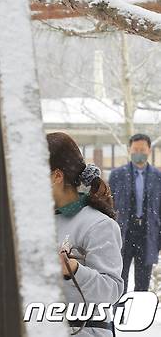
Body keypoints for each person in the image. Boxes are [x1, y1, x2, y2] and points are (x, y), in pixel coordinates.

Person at [48, 132, 123, 336]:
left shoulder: (98, 224)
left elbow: (111, 291)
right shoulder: (39, 221)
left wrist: (73, 269)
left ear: (57, 176)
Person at [109, 133, 161, 292]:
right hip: (123, 233)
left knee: (143, 284)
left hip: (148, 235)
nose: (139, 152)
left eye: (142, 149)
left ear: (148, 151)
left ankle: (141, 315)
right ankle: (120, 314)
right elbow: (109, 206)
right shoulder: (117, 175)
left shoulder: (158, 177)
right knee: (119, 279)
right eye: (135, 149)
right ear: (130, 150)